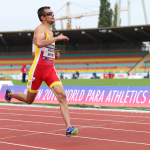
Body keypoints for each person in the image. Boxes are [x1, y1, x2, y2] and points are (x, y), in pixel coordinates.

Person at [5, 6, 78, 137]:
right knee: (29, 99)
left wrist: (54, 54)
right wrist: (56, 39)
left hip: (50, 70)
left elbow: (45, 50)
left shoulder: (50, 31)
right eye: (49, 13)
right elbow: (39, 43)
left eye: (53, 13)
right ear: (42, 17)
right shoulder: (40, 29)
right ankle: (10, 94)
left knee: (62, 95)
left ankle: (69, 127)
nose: (53, 15)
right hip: (37, 70)